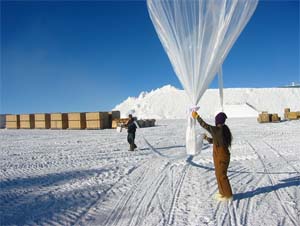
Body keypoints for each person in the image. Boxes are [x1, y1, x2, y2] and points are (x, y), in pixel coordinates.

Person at [192, 111, 233, 201]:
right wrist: (207, 138)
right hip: (221, 156)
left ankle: (228, 195)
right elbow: (215, 141)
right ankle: (223, 193)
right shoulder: (222, 130)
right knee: (219, 174)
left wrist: (197, 116)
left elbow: (205, 125)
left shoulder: (218, 130)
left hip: (221, 156)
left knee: (221, 175)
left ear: (217, 121)